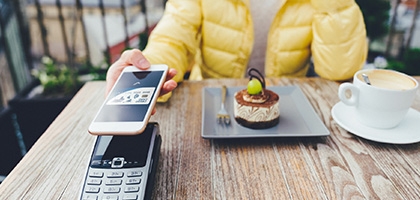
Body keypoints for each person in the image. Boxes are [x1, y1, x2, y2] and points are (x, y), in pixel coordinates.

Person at [107, 0, 367, 100]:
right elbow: (172, 39)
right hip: (212, 102)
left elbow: (340, 70)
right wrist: (145, 73)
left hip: (287, 106)